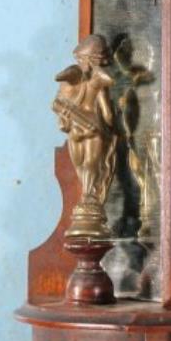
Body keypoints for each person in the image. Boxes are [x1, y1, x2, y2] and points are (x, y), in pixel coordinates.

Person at [53, 34, 117, 238]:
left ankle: (87, 200)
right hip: (91, 127)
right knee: (88, 165)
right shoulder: (96, 81)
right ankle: (88, 199)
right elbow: (107, 114)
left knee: (82, 165)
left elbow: (57, 98)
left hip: (79, 129)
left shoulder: (71, 81)